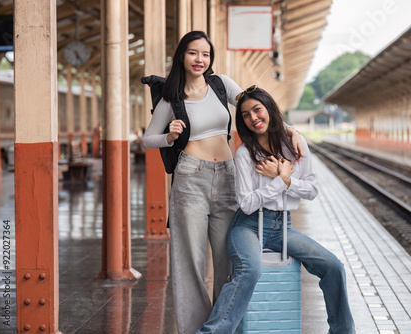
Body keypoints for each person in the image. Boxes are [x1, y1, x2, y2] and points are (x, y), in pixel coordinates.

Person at [142, 31, 303, 334]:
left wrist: (288, 128)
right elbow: (148, 138)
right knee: (189, 260)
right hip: (190, 178)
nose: (199, 59)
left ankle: (221, 327)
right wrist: (169, 136)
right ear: (182, 56)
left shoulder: (221, 85)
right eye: (193, 53)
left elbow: (257, 108)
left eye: (205, 54)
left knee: (228, 257)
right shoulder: (171, 98)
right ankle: (194, 330)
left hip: (228, 176)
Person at [197, 86, 355, 334]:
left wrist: (287, 181)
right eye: (246, 115)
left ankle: (343, 331)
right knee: (250, 269)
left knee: (333, 266)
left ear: (269, 108)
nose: (253, 118)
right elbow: (247, 203)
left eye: (257, 110)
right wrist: (279, 181)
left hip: (283, 226)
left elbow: (312, 190)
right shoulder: (244, 154)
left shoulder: (295, 144)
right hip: (247, 226)